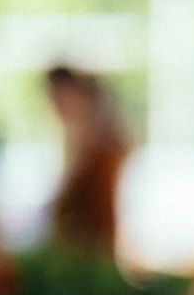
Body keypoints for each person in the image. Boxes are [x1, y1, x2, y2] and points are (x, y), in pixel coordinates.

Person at [45, 66, 130, 253]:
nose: (54, 106)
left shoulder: (103, 149)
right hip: (77, 250)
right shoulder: (76, 143)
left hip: (93, 250)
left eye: (58, 96)